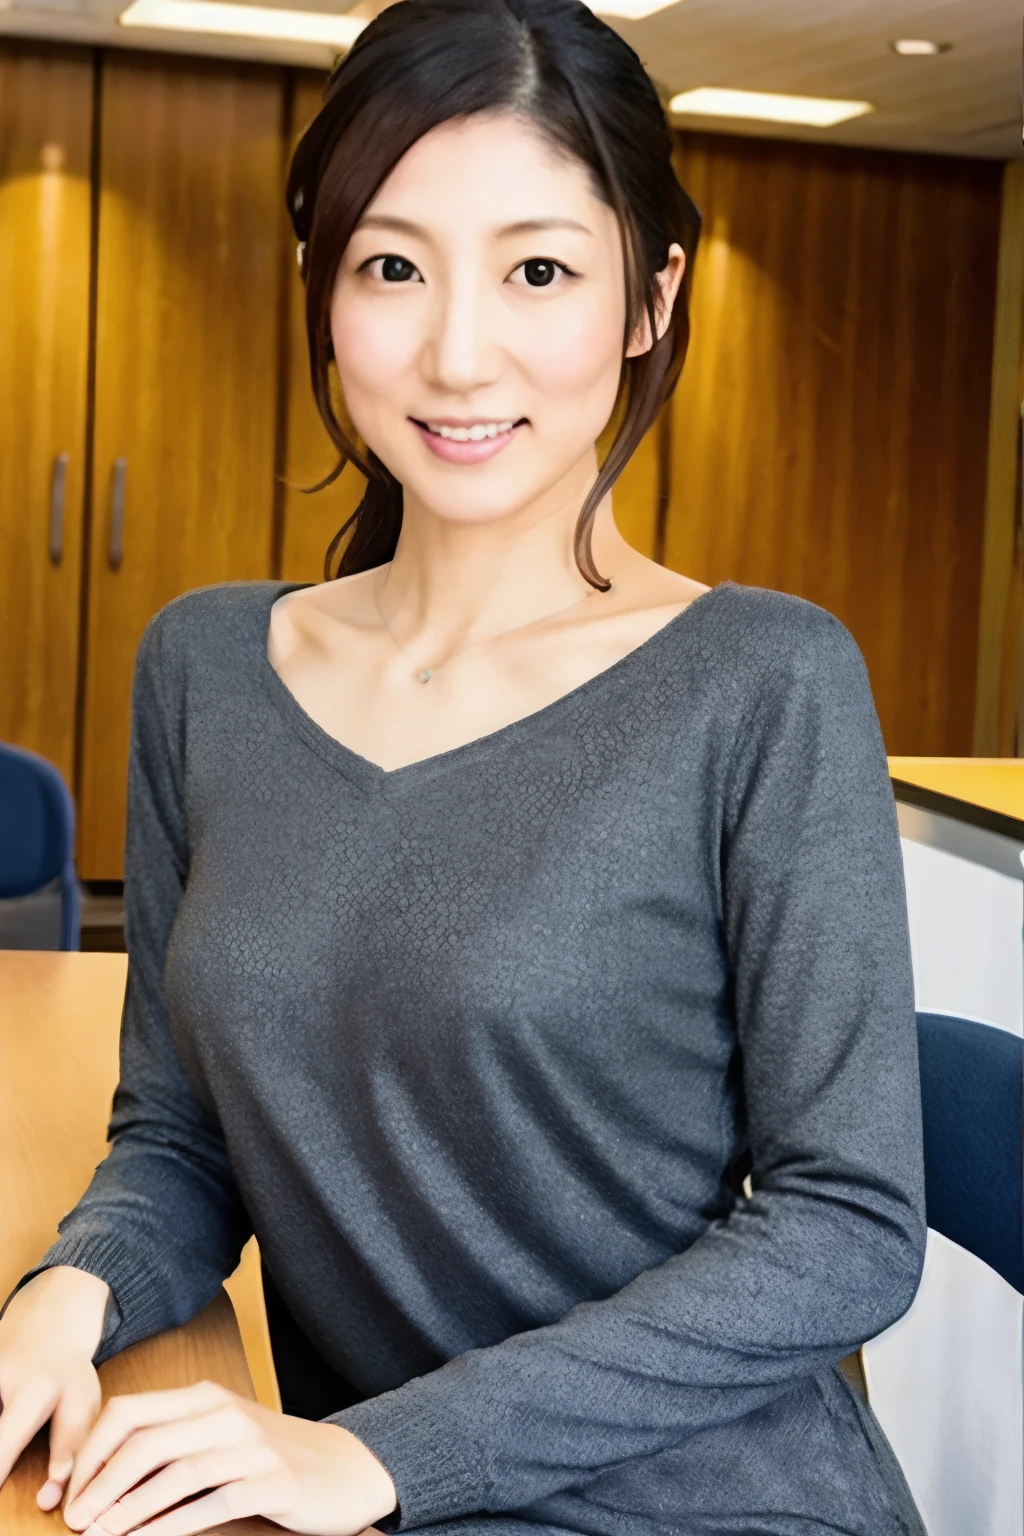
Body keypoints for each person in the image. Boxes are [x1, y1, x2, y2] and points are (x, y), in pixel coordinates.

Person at [0, 2, 928, 1533]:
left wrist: (373, 1454)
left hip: (707, 1502)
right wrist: (67, 1292)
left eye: (540, 270)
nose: (455, 350)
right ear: (324, 287)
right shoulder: (207, 669)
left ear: (651, 298)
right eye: (391, 265)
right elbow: (180, 1136)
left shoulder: (764, 681)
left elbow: (848, 1230)